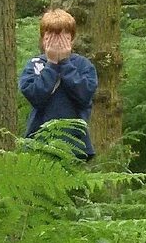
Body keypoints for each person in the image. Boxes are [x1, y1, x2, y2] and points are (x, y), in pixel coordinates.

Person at [19, 9, 98, 160]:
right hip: (39, 142)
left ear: (71, 39)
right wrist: (52, 65)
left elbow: (84, 95)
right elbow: (35, 96)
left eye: (62, 37)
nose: (57, 43)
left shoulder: (83, 65)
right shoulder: (34, 65)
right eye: (52, 37)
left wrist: (66, 64)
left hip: (76, 145)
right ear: (43, 39)